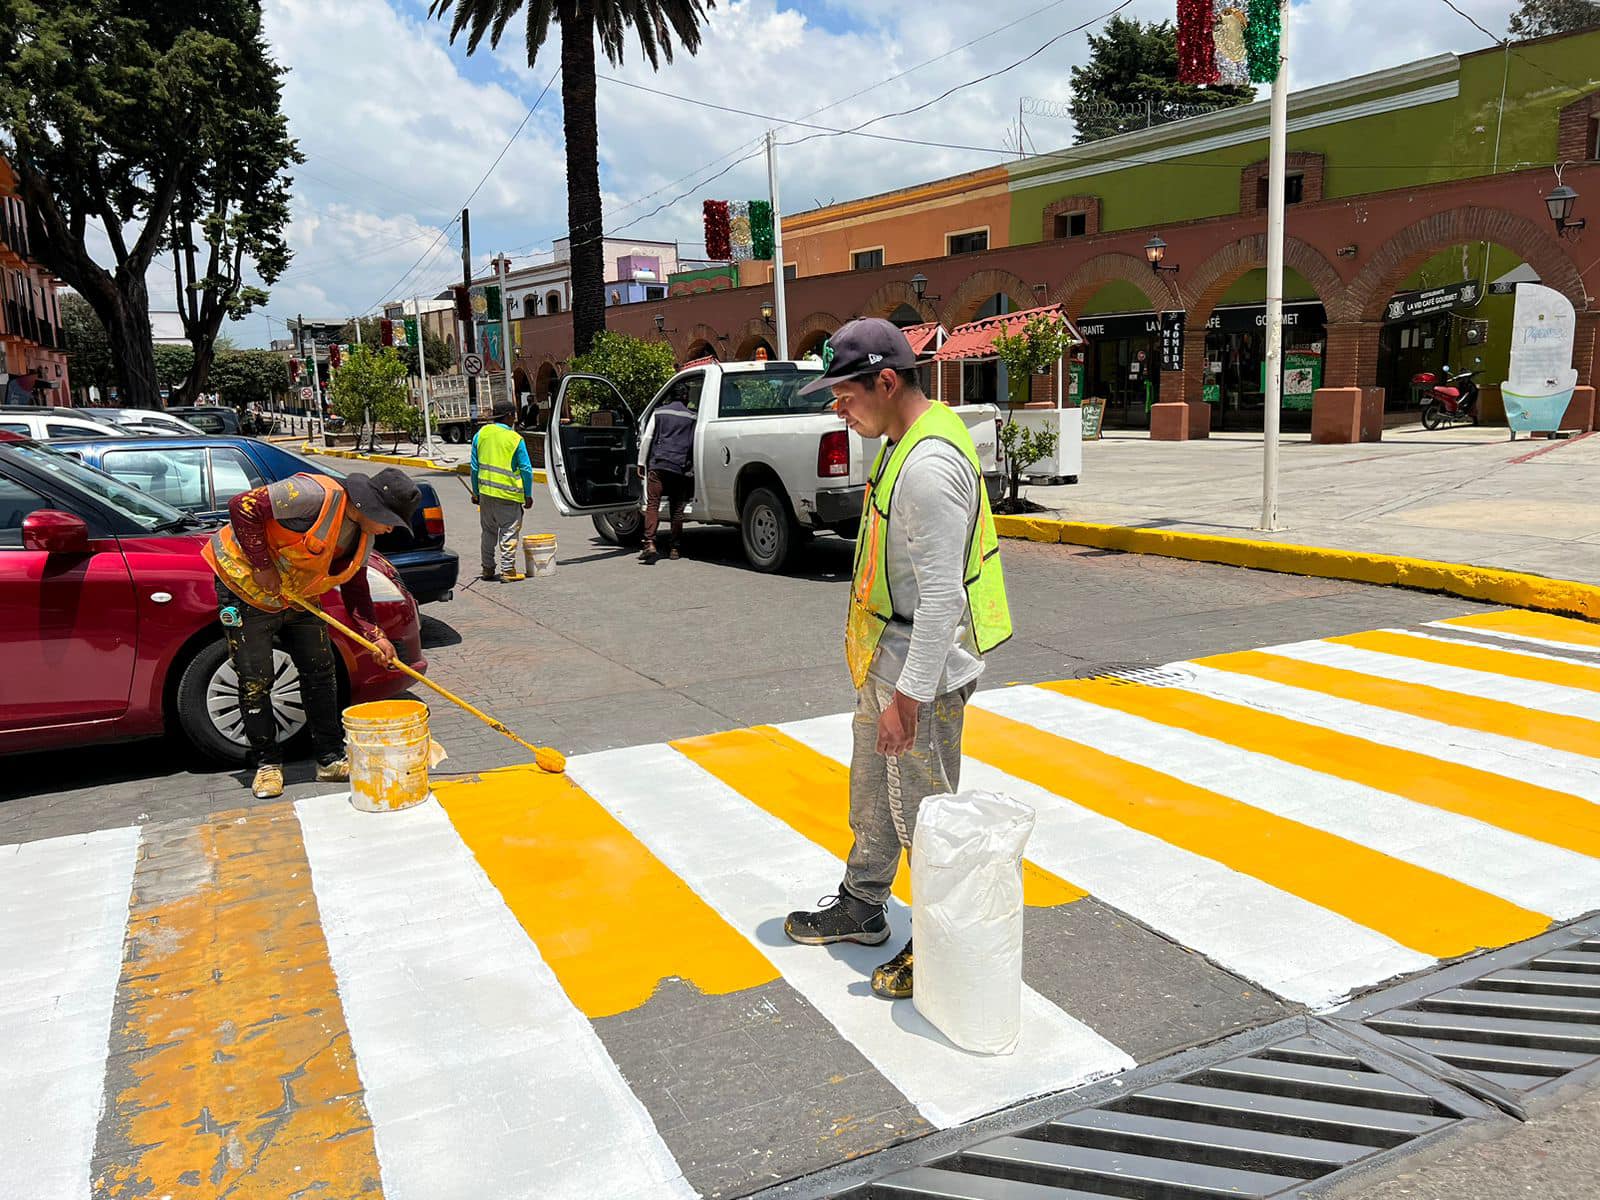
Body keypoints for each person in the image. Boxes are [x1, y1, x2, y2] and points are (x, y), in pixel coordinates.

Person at [783, 319, 1012, 1000]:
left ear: (886, 381)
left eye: (846, 394)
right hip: (889, 653)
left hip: (924, 667)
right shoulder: (901, 439)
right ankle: (862, 902)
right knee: (873, 793)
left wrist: (907, 700)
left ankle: (942, 942)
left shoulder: (929, 466)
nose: (838, 408)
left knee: (926, 810)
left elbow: (942, 599)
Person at [203, 467, 420, 800]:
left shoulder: (365, 536)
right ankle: (267, 764)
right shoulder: (312, 495)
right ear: (369, 506)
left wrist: (375, 635)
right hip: (244, 588)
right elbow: (242, 506)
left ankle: (329, 758)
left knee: (320, 671)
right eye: (389, 519)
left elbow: (356, 586)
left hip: (299, 596)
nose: (391, 528)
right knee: (256, 679)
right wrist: (261, 565)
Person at [471, 398, 535, 581]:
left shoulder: (480, 435)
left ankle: (487, 568)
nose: (514, 418)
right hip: (508, 494)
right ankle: (507, 570)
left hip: (485, 494)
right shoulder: (515, 439)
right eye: (513, 415)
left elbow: (475, 468)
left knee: (488, 532)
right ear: (508, 416)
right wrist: (527, 495)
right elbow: (526, 470)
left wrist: (476, 492)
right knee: (508, 530)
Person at [635, 387, 695, 564]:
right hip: (680, 467)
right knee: (677, 509)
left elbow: (647, 438)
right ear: (686, 399)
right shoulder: (692, 417)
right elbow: (693, 444)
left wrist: (641, 462)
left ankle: (650, 543)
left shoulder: (659, 412)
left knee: (653, 503)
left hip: (659, 464)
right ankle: (675, 548)